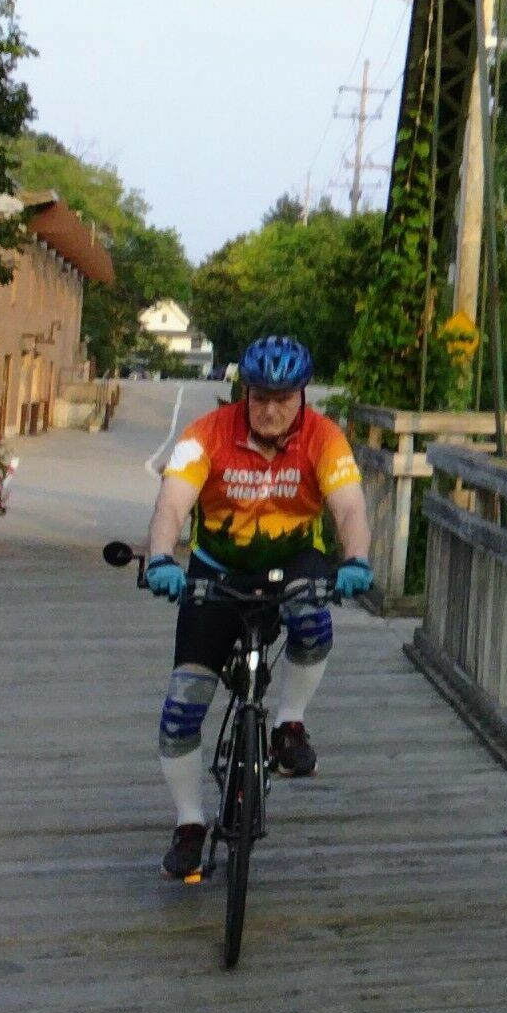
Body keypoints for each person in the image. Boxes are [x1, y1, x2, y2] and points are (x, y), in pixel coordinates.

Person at [146, 335, 373, 879]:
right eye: (260, 397)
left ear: (303, 395)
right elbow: (172, 502)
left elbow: (348, 507)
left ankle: (289, 724)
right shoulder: (206, 433)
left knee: (312, 619)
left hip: (292, 562)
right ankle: (189, 824)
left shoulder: (325, 438)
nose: (271, 410)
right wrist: (161, 558)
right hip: (217, 570)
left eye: (284, 399)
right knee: (181, 710)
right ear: (243, 392)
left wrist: (356, 559)